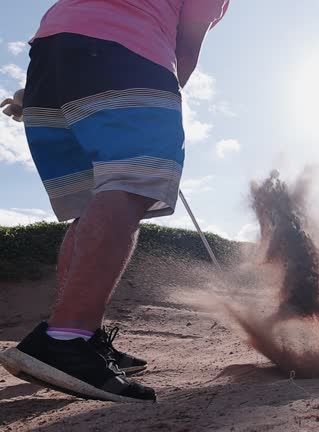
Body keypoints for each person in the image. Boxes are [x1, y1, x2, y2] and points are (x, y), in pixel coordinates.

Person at [0, 0, 229, 403]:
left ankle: (75, 332)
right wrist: (160, 100)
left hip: (49, 62)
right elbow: (187, 45)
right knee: (131, 186)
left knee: (93, 204)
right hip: (123, 57)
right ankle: (67, 338)